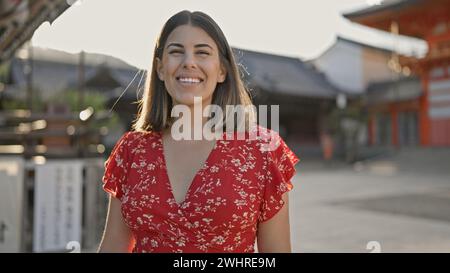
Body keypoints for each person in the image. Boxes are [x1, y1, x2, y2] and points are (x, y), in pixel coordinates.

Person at [98, 10, 299, 253]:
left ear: (222, 71)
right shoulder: (132, 150)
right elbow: (112, 248)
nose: (189, 62)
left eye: (202, 52)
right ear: (160, 69)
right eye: (176, 51)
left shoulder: (263, 150)